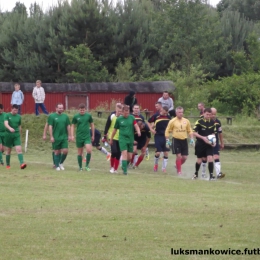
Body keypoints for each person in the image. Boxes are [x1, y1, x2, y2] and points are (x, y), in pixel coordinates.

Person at [110, 105, 141, 175]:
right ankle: (125, 172)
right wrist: (111, 139)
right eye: (125, 113)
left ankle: (123, 166)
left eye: (128, 113)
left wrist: (138, 131)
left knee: (130, 157)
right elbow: (114, 130)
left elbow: (136, 125)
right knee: (124, 154)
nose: (126, 114)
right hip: (122, 139)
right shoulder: (119, 119)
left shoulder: (132, 118)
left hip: (130, 139)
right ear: (122, 112)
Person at [165, 106, 194, 175]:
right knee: (178, 156)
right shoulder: (172, 121)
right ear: (176, 113)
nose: (181, 114)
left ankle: (177, 165)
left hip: (184, 140)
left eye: (182, 112)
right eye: (179, 112)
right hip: (176, 140)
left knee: (184, 157)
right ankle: (179, 172)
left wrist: (192, 139)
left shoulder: (186, 121)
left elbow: (190, 130)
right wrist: (167, 140)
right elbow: (167, 130)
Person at [192, 107, 217, 180]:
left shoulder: (212, 122)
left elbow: (213, 133)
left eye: (210, 115)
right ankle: (196, 173)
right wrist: (203, 138)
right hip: (200, 143)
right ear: (203, 113)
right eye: (207, 114)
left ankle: (211, 175)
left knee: (210, 158)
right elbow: (194, 133)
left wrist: (213, 142)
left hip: (208, 144)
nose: (208, 116)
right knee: (199, 160)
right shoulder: (199, 121)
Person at [148, 106, 171, 172]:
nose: (165, 114)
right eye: (165, 112)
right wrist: (151, 129)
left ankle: (164, 168)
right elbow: (149, 122)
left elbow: (171, 125)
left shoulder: (168, 117)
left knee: (166, 152)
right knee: (158, 153)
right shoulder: (156, 116)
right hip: (158, 135)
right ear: (162, 110)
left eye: (167, 113)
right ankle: (156, 165)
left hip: (166, 136)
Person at [71, 103, 94, 171]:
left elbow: (92, 125)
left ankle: (87, 166)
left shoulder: (88, 116)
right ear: (79, 110)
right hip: (79, 136)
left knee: (89, 150)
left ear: (85, 110)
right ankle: (80, 167)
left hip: (87, 136)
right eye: (81, 110)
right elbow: (72, 125)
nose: (82, 111)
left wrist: (93, 135)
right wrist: (72, 135)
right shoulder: (76, 116)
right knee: (80, 152)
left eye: (83, 110)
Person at [48, 103, 71, 171]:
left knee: (65, 151)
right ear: (56, 108)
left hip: (64, 137)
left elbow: (68, 126)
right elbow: (50, 126)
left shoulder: (65, 116)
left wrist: (69, 135)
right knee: (57, 151)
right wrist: (51, 136)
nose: (61, 109)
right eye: (60, 108)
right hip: (56, 137)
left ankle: (60, 163)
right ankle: (57, 166)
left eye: (62, 108)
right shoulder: (52, 116)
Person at [4, 104, 27, 169]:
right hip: (8, 135)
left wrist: (20, 133)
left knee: (19, 149)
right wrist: (10, 128)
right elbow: (5, 123)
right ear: (11, 109)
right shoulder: (7, 115)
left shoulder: (19, 117)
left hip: (16, 135)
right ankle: (8, 165)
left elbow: (19, 126)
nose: (15, 112)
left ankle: (22, 164)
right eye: (14, 110)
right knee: (8, 150)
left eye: (17, 110)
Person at [108, 105, 122, 173]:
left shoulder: (122, 118)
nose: (119, 112)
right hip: (113, 137)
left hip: (121, 138)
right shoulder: (112, 116)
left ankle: (116, 169)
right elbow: (107, 125)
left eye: (120, 111)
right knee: (114, 152)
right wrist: (107, 135)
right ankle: (111, 167)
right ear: (116, 110)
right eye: (118, 111)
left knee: (119, 153)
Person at [211, 107, 225, 179]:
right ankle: (202, 172)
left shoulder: (218, 122)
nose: (213, 115)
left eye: (214, 114)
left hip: (215, 142)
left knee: (216, 156)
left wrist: (222, 143)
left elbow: (220, 133)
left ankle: (218, 173)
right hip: (207, 143)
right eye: (212, 114)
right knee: (204, 159)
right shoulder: (206, 121)